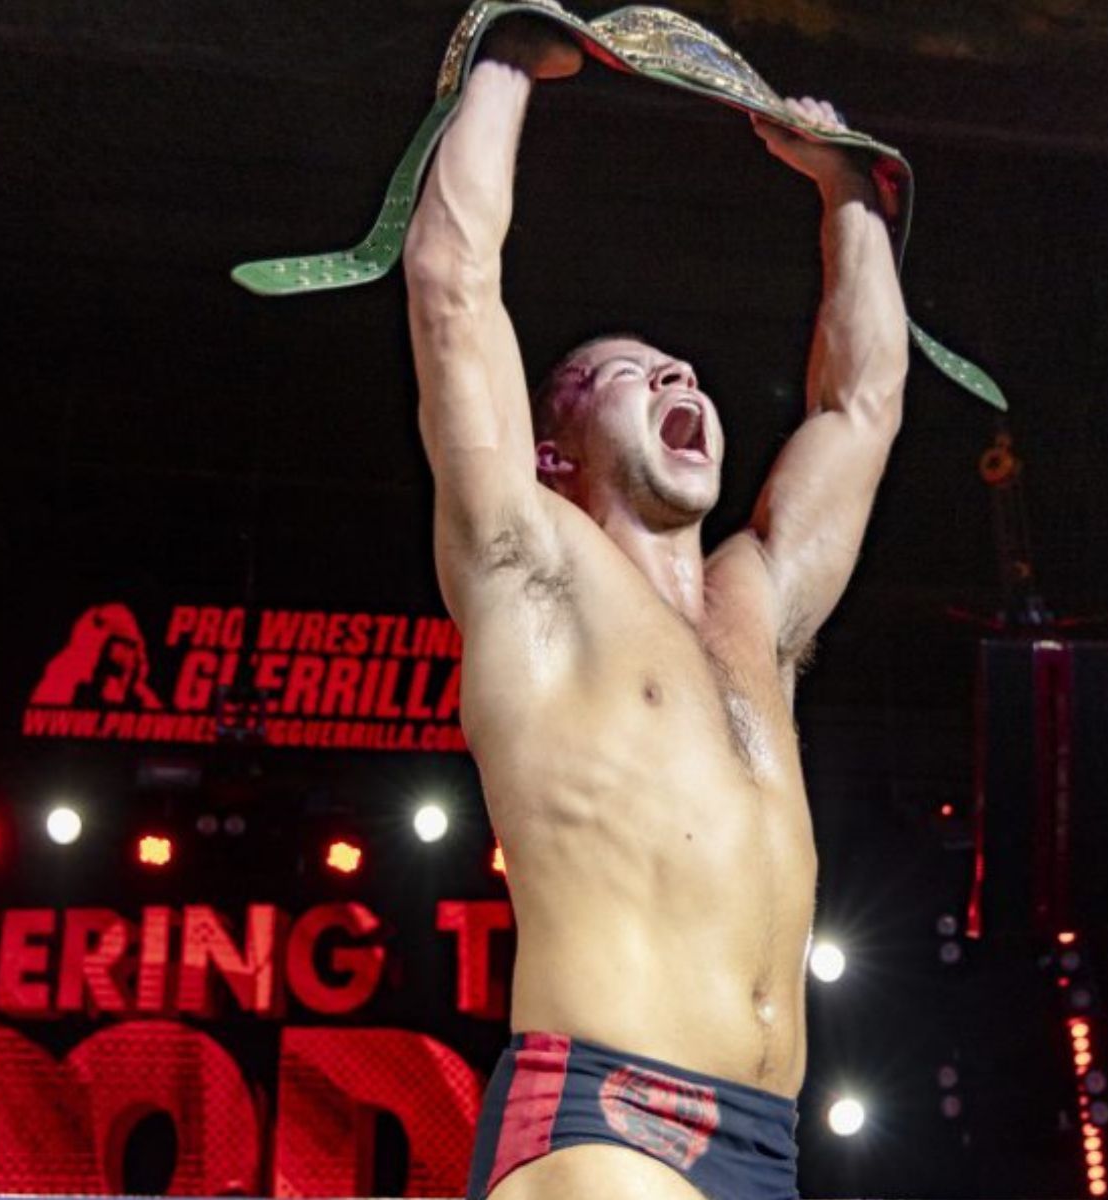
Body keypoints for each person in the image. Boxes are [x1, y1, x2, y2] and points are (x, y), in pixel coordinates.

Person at [402, 16, 908, 1200]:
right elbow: (451, 286)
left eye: (685, 372)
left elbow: (862, 408)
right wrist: (506, 65)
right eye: (633, 374)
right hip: (607, 1117)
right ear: (554, 450)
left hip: (768, 1144)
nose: (680, 378)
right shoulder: (531, 564)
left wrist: (847, 193)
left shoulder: (758, 604)